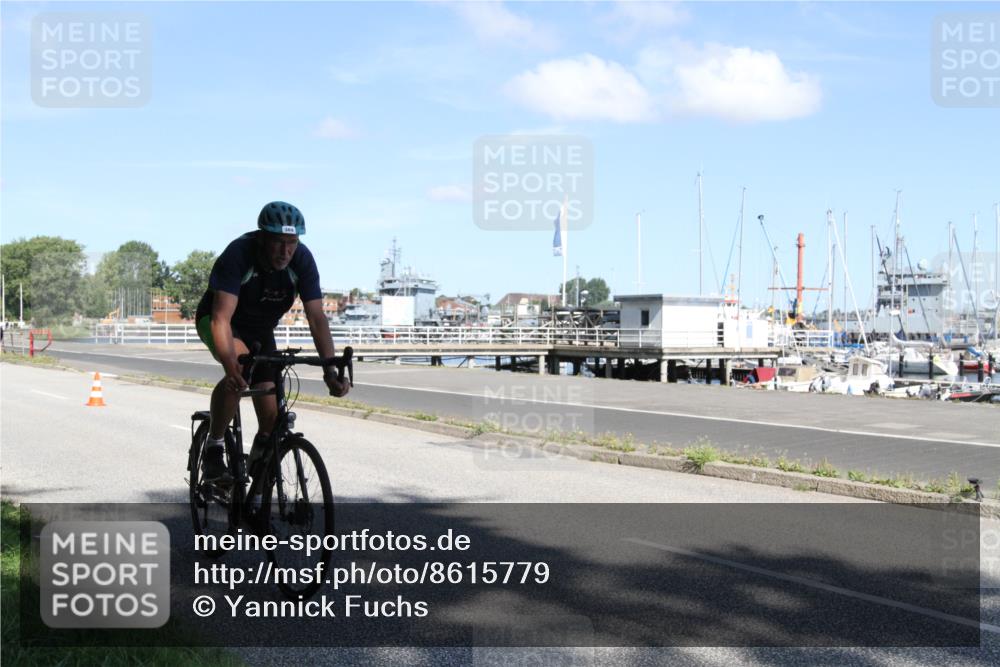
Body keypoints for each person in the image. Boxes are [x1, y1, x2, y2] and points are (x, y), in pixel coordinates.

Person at [195, 201, 349, 482]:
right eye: (279, 242)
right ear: (262, 237)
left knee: (270, 412)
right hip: (220, 321)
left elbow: (317, 318)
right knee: (241, 370)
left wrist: (330, 369)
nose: (286, 251)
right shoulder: (239, 254)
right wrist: (230, 368)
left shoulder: (301, 260)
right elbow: (221, 319)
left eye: (292, 242)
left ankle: (258, 482)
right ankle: (214, 449)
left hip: (261, 329)